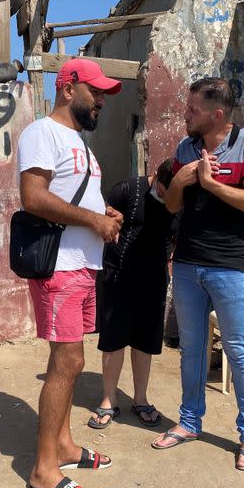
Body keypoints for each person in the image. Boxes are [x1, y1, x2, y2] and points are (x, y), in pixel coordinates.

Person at [17, 58, 124, 488]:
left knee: (72, 362)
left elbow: (76, 198)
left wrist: (106, 217)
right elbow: (34, 197)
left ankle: (63, 446)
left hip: (82, 264)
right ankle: (44, 471)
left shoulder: (76, 141)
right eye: (95, 92)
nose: (101, 100)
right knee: (67, 362)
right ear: (68, 89)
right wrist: (93, 220)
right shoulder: (42, 132)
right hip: (59, 265)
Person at [151, 77, 244, 473]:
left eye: (193, 110)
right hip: (187, 265)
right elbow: (169, 207)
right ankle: (189, 423)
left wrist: (209, 183)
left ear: (217, 115)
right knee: (191, 349)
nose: (185, 115)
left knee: (238, 352)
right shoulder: (186, 148)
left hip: (230, 268)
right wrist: (182, 182)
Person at [87, 159, 178, 430]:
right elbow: (101, 214)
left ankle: (140, 399)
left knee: (145, 341)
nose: (165, 197)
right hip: (119, 274)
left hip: (154, 277)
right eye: (162, 190)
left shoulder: (179, 199)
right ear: (155, 177)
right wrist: (110, 218)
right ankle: (108, 399)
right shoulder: (129, 189)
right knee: (113, 339)